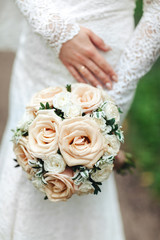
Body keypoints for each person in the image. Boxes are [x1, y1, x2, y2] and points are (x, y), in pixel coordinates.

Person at [0, 0, 159, 239]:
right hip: (40, 54)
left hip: (107, 72)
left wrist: (118, 94)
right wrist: (56, 31)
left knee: (85, 166)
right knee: (25, 165)